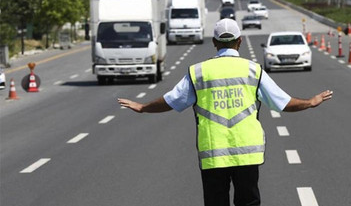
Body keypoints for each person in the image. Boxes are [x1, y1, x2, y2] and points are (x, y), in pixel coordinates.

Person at [118, 18, 333, 206]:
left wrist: (143, 107)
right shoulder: (253, 70)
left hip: (213, 154)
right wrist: (310, 102)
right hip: (247, 155)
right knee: (248, 202)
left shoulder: (199, 72)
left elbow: (172, 101)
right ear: (239, 42)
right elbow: (283, 103)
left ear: (214, 43)